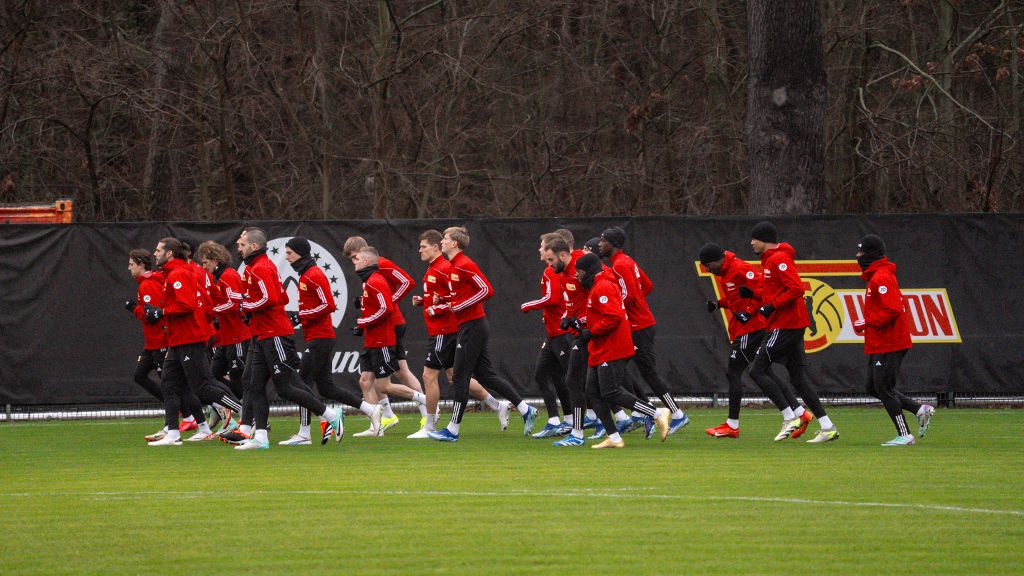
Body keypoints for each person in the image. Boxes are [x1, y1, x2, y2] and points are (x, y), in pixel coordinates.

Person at [231, 227, 343, 450]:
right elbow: (281, 295)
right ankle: (260, 437)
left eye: (242, 245)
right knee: (254, 385)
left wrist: (245, 305)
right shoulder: (258, 267)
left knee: (286, 386)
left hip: (275, 335)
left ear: (253, 246)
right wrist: (245, 303)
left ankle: (330, 414)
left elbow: (271, 298)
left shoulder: (260, 267)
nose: (238, 248)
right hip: (264, 334)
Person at [428, 226, 539, 441]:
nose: (442, 242)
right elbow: (461, 297)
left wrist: (459, 306)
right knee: (486, 375)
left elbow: (487, 289)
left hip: (473, 326)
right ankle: (526, 409)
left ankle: (452, 430)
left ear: (455, 244)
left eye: (445, 239)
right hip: (469, 326)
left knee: (460, 376)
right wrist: (441, 301)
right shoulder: (452, 266)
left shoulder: (465, 264)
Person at [698, 243, 813, 438]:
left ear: (717, 261)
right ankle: (800, 413)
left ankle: (734, 424)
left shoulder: (739, 268)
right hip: (747, 328)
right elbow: (736, 297)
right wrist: (719, 304)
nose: (708, 271)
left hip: (750, 329)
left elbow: (763, 289)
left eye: (709, 266)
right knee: (764, 371)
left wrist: (749, 312)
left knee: (734, 373)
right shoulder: (727, 272)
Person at [412, 230, 513, 436]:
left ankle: (430, 426)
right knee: (455, 377)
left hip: (445, 330)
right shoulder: (437, 267)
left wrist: (440, 308)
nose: (419, 250)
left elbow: (470, 293)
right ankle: (496, 405)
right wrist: (425, 301)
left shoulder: (446, 267)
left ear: (436, 247)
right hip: (445, 328)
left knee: (429, 375)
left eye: (423, 246)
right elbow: (448, 295)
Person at [280, 236, 379, 445]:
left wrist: (301, 315)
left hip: (321, 337)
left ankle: (305, 434)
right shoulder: (306, 273)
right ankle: (371, 410)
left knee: (302, 384)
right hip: (317, 337)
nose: (286, 257)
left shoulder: (314, 274)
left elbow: (329, 304)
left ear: (299, 252)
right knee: (326, 388)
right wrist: (303, 314)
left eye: (289, 253)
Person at [746, 221, 838, 443]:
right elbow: (775, 291)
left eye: (754, 239)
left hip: (786, 324)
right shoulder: (770, 261)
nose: (751, 243)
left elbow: (796, 288)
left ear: (764, 239)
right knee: (798, 379)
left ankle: (791, 415)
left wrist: (772, 306)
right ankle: (827, 426)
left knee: (756, 370)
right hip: (788, 324)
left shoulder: (779, 259)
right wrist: (758, 298)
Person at [146, 238, 244, 446]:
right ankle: (173, 433)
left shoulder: (179, 274)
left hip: (190, 339)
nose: (154, 254)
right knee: (169, 383)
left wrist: (161, 312)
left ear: (170, 253)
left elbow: (187, 305)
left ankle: (245, 413)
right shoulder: (183, 272)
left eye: (158, 250)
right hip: (179, 339)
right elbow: (210, 299)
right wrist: (206, 318)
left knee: (203, 386)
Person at [572, 253, 670, 448]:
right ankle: (615, 438)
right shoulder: (597, 287)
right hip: (600, 346)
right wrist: (580, 323)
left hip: (613, 346)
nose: (577, 276)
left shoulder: (603, 286)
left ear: (589, 271)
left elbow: (614, 316)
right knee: (592, 391)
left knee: (611, 391)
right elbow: (600, 314)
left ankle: (657, 413)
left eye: (580, 272)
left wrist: (590, 332)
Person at [598, 227, 689, 434]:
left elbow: (629, 294)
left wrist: (615, 307)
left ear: (612, 243)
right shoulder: (626, 261)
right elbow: (647, 286)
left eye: (603, 241)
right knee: (620, 368)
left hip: (639, 326)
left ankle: (677, 414)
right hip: (638, 324)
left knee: (647, 372)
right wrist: (636, 305)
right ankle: (641, 412)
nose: (600, 244)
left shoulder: (620, 264)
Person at [854, 234, 935, 446]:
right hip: (882, 341)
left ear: (870, 254)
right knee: (872, 387)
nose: (857, 256)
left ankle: (905, 435)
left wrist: (867, 322)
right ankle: (919, 409)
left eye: (861, 252)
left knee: (884, 389)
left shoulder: (881, 277)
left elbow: (893, 309)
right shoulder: (877, 276)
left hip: (890, 342)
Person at [343, 236, 427, 433]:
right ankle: (385, 418)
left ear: (363, 253)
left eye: (354, 257)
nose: (353, 262)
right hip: (377, 325)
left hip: (390, 324)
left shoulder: (380, 265)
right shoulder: (367, 274)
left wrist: (390, 301)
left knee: (397, 374)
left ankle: (428, 411)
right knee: (368, 379)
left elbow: (407, 282)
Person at [540, 235, 595, 447]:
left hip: (592, 332)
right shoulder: (563, 272)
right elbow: (572, 303)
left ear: (563, 254)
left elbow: (600, 296)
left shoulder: (582, 265)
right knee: (579, 381)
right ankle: (581, 432)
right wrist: (568, 318)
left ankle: (652, 413)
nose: (548, 264)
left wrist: (584, 320)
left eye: (551, 260)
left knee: (607, 386)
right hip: (580, 333)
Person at [521, 232, 573, 438]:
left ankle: (608, 418)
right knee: (546, 374)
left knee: (572, 377)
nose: (540, 249)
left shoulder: (551, 271)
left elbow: (553, 298)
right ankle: (559, 420)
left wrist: (529, 305)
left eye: (542, 246)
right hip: (554, 333)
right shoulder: (554, 270)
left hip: (561, 333)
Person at [197, 240, 249, 433]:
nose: (204, 267)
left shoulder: (228, 276)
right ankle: (228, 409)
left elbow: (235, 304)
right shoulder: (219, 277)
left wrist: (212, 310)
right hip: (225, 338)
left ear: (215, 260)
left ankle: (250, 416)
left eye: (205, 263)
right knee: (212, 376)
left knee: (238, 379)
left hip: (237, 336)